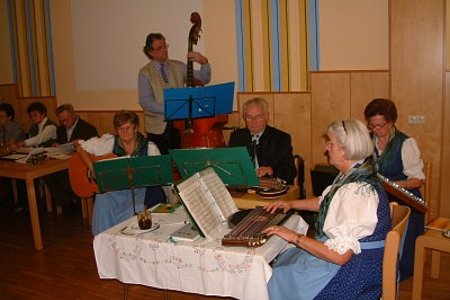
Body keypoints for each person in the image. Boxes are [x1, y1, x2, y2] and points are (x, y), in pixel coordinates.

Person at [263, 119, 390, 299]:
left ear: (345, 149)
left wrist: (293, 236)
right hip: (355, 260)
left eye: (331, 143)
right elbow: (328, 202)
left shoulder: (356, 192)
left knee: (279, 275)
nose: (326, 148)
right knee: (286, 261)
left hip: (353, 273)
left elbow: (340, 256)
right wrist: (291, 204)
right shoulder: (354, 173)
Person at [364, 98, 425, 281]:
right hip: (379, 197)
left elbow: (418, 180)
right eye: (371, 126)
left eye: (380, 126)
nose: (376, 130)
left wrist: (395, 185)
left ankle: (394, 273)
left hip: (406, 200)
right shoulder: (368, 141)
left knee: (401, 238)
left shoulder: (405, 143)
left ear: (391, 122)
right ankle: (373, 268)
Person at [76, 111, 165, 235]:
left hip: (139, 190)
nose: (124, 132)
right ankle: (105, 236)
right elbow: (79, 146)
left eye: (128, 128)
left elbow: (159, 174)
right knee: (102, 196)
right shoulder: (110, 142)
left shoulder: (149, 147)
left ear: (136, 128)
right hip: (116, 190)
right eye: (120, 129)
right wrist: (91, 168)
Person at [138, 32, 211, 154]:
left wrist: (204, 62)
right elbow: (146, 101)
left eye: (165, 46)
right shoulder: (145, 73)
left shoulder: (178, 66)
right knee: (162, 164)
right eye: (160, 48)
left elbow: (203, 79)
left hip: (180, 126)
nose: (165, 50)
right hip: (157, 129)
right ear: (151, 52)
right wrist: (170, 109)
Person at [44, 104, 99, 214]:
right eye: (61, 121)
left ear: (74, 115)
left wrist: (80, 144)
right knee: (48, 175)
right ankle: (66, 203)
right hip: (63, 160)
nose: (64, 123)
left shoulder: (87, 128)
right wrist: (57, 145)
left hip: (81, 163)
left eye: (66, 119)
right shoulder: (60, 129)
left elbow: (94, 149)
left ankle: (77, 200)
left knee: (66, 175)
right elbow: (61, 144)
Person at [228, 97, 296, 184]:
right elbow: (230, 166)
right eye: (249, 117)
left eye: (258, 117)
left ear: (266, 116)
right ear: (244, 118)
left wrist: (271, 170)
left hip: (272, 187)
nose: (253, 122)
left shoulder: (281, 138)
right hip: (244, 187)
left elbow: (290, 171)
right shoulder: (236, 137)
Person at [0, 103, 26, 205]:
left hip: (19, 158)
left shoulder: (16, 128)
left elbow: (9, 146)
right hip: (5, 157)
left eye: (1, 117)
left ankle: (21, 202)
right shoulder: (1, 128)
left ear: (9, 117)